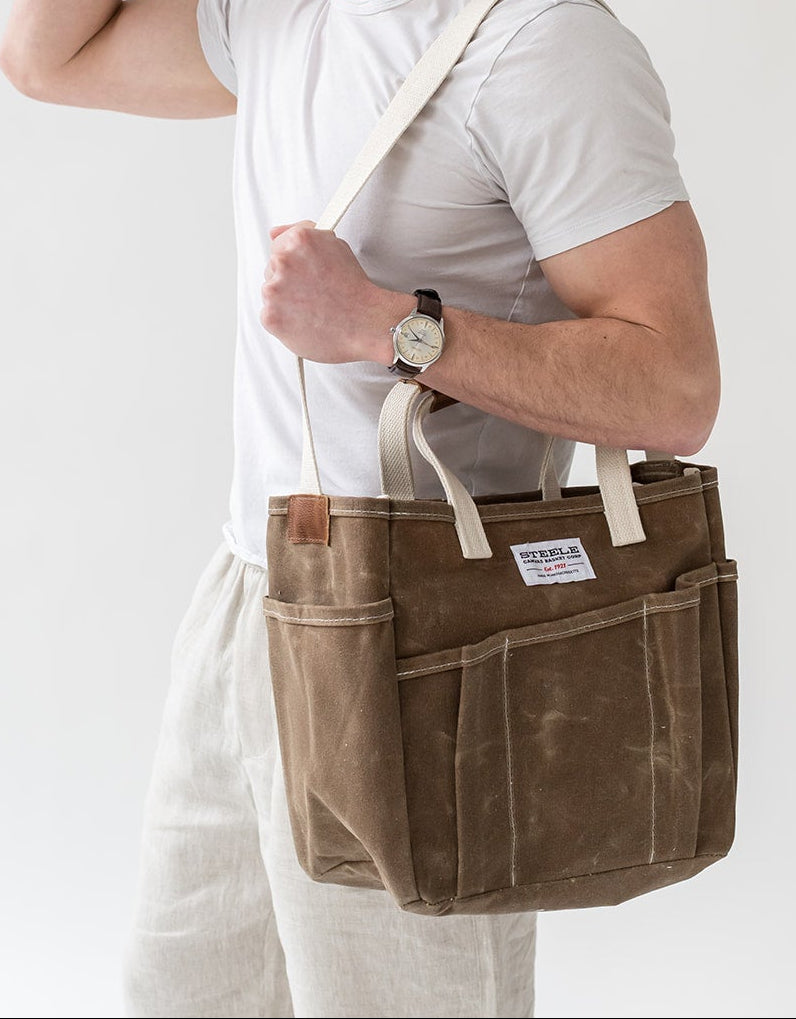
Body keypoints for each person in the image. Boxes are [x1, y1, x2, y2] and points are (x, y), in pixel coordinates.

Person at [0, 0, 720, 1015]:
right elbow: (43, 58)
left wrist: (387, 327)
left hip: (425, 636)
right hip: (251, 595)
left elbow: (673, 385)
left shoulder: (545, 47)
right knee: (181, 993)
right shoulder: (275, 11)